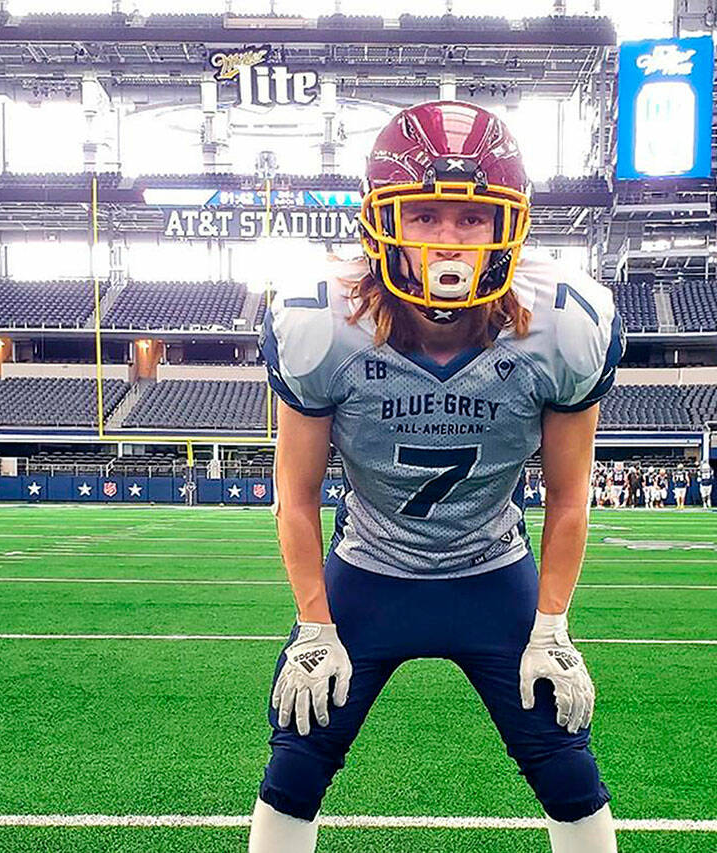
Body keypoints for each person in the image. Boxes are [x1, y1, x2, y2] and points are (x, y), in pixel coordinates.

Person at [250, 101, 620, 853]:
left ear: (505, 227)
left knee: (565, 759)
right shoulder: (324, 321)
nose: (447, 240)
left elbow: (571, 497)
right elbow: (294, 496)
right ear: (382, 221)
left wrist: (552, 624)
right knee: (297, 751)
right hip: (369, 570)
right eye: (423, 215)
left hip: (492, 570)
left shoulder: (561, 324)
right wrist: (316, 624)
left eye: (470, 219)